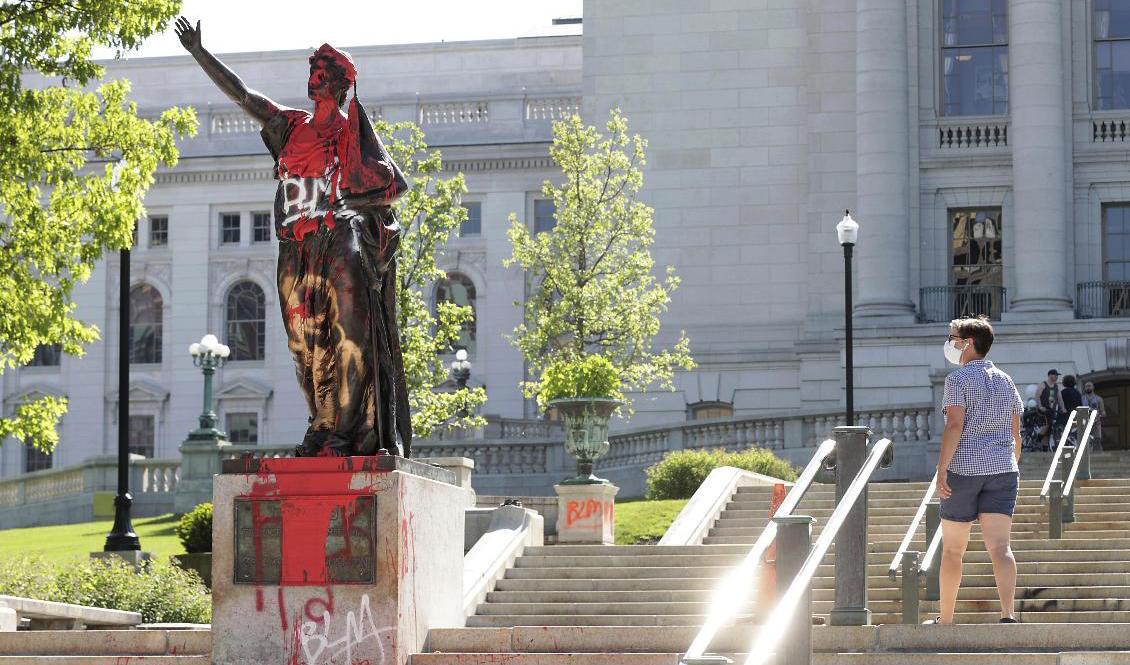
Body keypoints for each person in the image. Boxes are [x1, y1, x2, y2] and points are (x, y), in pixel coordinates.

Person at [175, 18, 412, 457]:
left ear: (340, 84)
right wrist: (198, 52)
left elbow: (388, 186)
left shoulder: (351, 134)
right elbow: (243, 96)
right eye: (312, 71)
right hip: (294, 251)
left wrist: (356, 212)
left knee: (347, 340)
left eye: (323, 73)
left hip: (336, 244)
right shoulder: (290, 126)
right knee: (305, 345)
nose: (314, 78)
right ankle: (321, 425)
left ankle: (346, 433)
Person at [927, 316, 1023, 625]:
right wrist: (1010, 466)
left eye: (953, 337)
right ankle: (1008, 614)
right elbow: (1015, 435)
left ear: (968, 343)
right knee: (1001, 547)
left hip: (965, 469)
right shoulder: (1006, 380)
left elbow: (955, 425)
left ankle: (946, 619)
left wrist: (942, 470)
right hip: (1002, 470)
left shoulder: (958, 380)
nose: (950, 342)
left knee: (954, 550)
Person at [1035, 370, 1066, 450]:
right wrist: (1040, 406)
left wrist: (1063, 408)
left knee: (1048, 431)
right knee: (1046, 425)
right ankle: (1037, 441)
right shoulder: (1043, 384)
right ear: (1050, 375)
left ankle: (1045, 448)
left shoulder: (1056, 386)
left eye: (1057, 375)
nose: (1056, 377)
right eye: (1055, 375)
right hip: (1043, 410)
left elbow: (1060, 398)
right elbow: (1037, 396)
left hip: (1051, 410)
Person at [1083, 382, 1107, 452]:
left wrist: (1103, 413)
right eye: (1086, 386)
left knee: (1097, 438)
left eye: (1089, 386)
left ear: (1093, 387)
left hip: (1096, 421)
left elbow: (1102, 410)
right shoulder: (1082, 398)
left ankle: (1098, 454)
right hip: (1085, 421)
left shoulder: (1099, 399)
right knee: (1085, 439)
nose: (1088, 387)